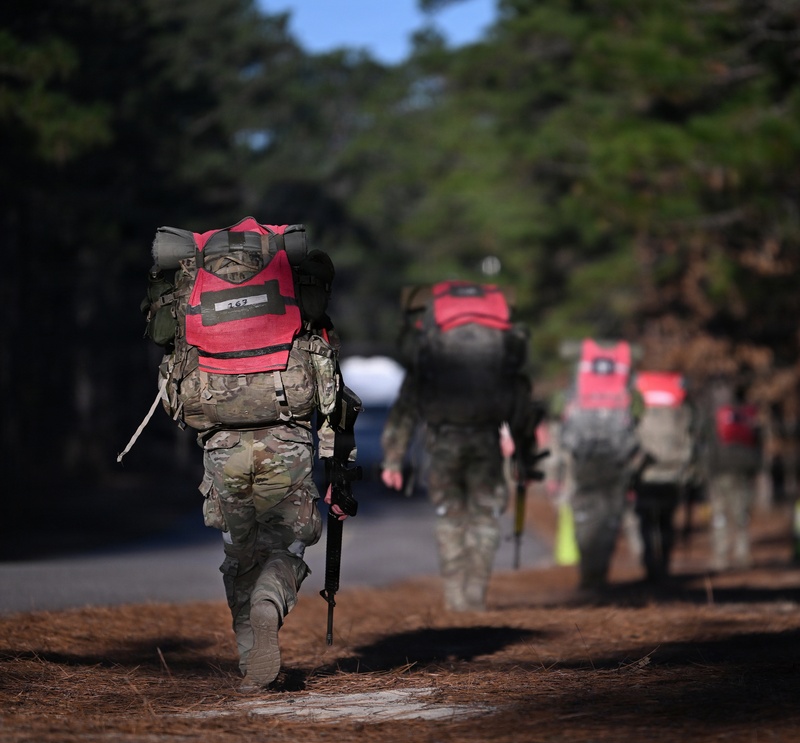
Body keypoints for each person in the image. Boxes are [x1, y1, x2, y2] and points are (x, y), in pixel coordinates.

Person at [142, 217, 358, 690]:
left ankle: (249, 664)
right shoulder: (303, 309)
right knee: (286, 545)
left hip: (220, 440)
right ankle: (269, 603)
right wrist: (339, 464)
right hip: (287, 437)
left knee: (238, 554)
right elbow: (335, 398)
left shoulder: (195, 275)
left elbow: (165, 342)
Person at [379, 280, 535, 612]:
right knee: (485, 517)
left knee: (449, 517)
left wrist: (393, 458)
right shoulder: (499, 346)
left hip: (443, 441)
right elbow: (521, 402)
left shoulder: (433, 345)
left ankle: (454, 596)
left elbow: (407, 405)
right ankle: (476, 593)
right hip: (487, 440)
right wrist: (524, 453)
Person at [557, 339, 640, 590]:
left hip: (584, 460)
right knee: (609, 516)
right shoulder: (624, 389)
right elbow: (636, 427)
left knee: (585, 515)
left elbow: (564, 430)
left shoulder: (578, 390)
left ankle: (587, 571)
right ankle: (600, 570)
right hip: (615, 460)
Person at [631, 371, 698, 583]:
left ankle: (651, 565)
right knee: (666, 521)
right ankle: (664, 565)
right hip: (673, 473)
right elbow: (691, 442)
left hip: (646, 475)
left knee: (647, 523)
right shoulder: (681, 410)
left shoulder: (639, 409)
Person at [699, 381, 762, 571]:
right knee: (741, 515)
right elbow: (757, 444)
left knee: (719, 516)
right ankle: (742, 555)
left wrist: (704, 471)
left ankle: (721, 557)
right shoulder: (748, 415)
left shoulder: (713, 416)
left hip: (719, 473)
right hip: (741, 472)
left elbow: (705, 446)